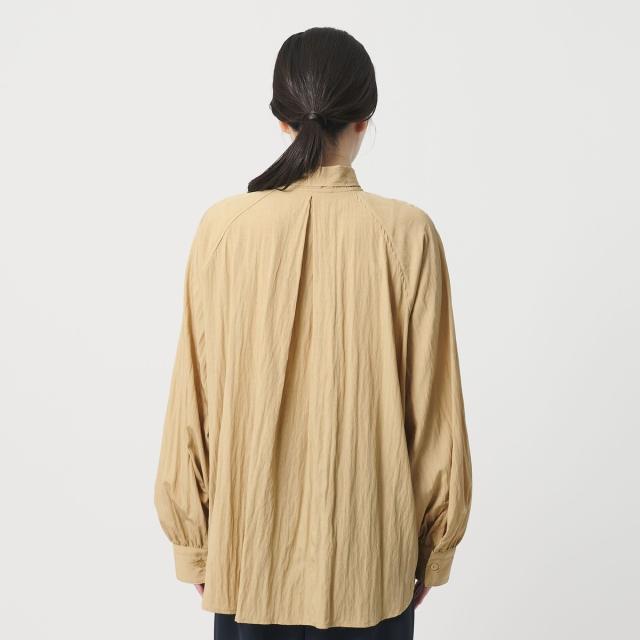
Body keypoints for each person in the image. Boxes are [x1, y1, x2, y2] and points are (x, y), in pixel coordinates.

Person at [153, 26, 473, 640]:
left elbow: (191, 403)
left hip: (248, 560)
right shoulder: (408, 235)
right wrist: (435, 545)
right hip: (370, 566)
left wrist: (194, 542)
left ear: (282, 119)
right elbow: (436, 419)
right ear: (365, 119)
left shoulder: (224, 230)